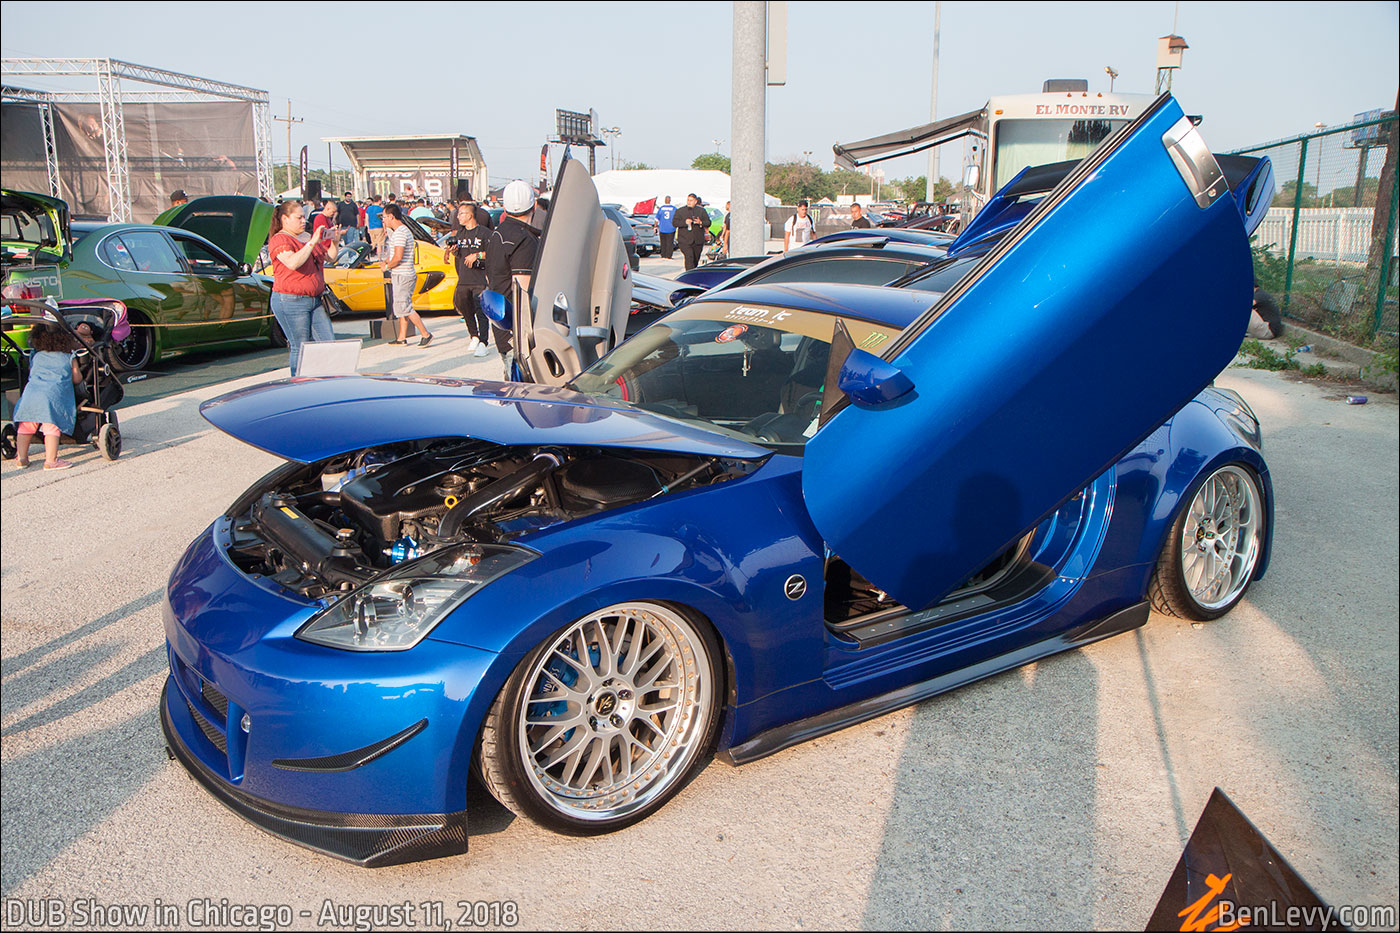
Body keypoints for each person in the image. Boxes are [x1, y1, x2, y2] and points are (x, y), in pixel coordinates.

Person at [267, 199, 338, 372]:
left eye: (304, 218)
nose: (303, 221)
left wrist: (335, 241)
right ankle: (298, 385)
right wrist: (312, 241)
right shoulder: (280, 239)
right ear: (285, 219)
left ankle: (329, 380)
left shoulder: (305, 237)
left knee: (328, 342)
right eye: (298, 218)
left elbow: (330, 257)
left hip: (313, 299)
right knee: (300, 346)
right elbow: (292, 262)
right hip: (291, 300)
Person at [485, 180, 541, 378]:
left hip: (502, 325)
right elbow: (523, 288)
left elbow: (489, 276)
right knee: (524, 393)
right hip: (519, 332)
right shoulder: (525, 239)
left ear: (505, 208)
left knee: (511, 384)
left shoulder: (496, 235)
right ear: (534, 206)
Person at [12, 322, 83, 470]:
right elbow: (77, 379)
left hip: (31, 393)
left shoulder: (37, 356)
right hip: (52, 395)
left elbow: (33, 372)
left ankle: (22, 458)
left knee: (25, 426)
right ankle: (51, 461)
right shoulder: (69, 356)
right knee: (52, 425)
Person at [380, 204, 433, 347]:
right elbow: (394, 255)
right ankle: (401, 337)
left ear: (391, 216)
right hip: (401, 274)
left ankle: (425, 334)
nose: (383, 220)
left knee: (405, 306)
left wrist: (386, 266)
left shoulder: (401, 232)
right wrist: (386, 261)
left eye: (384, 217)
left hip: (403, 275)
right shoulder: (399, 232)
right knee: (400, 306)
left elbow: (398, 257)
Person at [446, 201, 492, 358]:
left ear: (470, 215)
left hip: (480, 277)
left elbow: (494, 252)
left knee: (481, 311)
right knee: (466, 309)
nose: (458, 217)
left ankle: (484, 342)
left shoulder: (485, 233)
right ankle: (474, 336)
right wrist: (453, 251)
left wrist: (478, 255)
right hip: (464, 277)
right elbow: (458, 254)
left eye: (461, 214)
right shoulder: (459, 234)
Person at [672, 193, 709, 271]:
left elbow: (708, 223)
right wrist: (685, 222)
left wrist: (700, 222)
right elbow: (674, 223)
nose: (689, 202)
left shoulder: (701, 211)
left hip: (698, 240)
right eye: (688, 200)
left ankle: (693, 273)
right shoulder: (680, 211)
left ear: (695, 201)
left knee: (695, 259)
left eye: (691, 200)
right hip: (685, 240)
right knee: (689, 258)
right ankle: (689, 276)